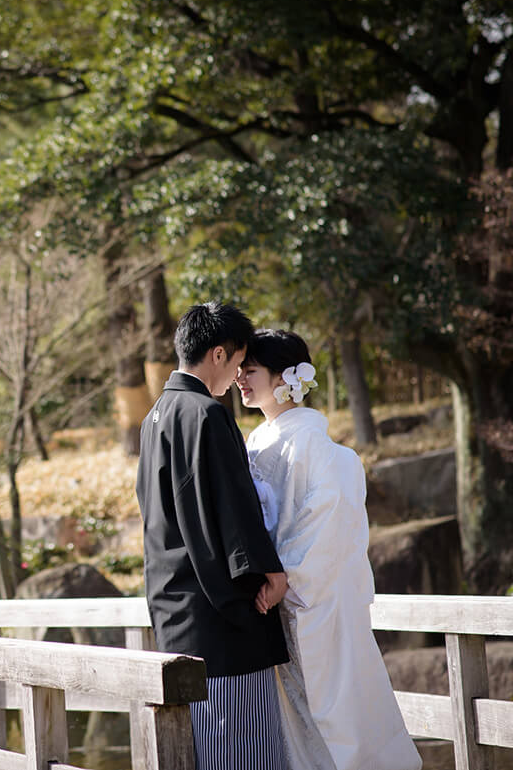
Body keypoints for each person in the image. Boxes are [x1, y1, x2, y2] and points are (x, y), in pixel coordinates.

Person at [237, 329, 421, 770]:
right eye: (241, 369)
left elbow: (328, 530)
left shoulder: (324, 451)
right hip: (276, 599)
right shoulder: (256, 442)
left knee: (337, 717)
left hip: (312, 602)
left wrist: (282, 577)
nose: (241, 378)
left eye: (252, 370)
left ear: (285, 377)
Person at [137, 302, 291, 770]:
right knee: (246, 749)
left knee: (201, 750)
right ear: (219, 353)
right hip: (219, 619)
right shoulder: (205, 412)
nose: (238, 376)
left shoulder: (154, 417)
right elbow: (230, 504)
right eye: (239, 362)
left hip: (174, 612)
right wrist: (268, 571)